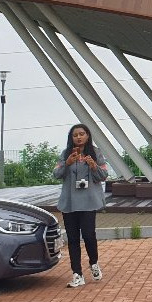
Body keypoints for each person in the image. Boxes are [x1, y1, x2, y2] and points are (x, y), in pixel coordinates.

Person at [54, 123, 109, 288]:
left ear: (87, 136)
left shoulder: (96, 153)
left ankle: (94, 263)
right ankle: (77, 274)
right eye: (75, 135)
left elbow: (103, 176)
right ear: (71, 138)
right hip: (69, 203)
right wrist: (67, 163)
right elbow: (56, 174)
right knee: (72, 240)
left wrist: (93, 166)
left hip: (89, 202)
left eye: (82, 134)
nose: (78, 137)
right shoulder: (65, 154)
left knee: (88, 235)